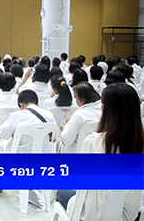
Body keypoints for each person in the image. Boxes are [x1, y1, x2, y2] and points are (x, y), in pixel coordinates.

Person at [57, 83, 143, 221]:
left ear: (107, 109)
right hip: (129, 215)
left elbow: (82, 183)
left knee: (62, 191)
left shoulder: (94, 141)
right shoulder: (140, 144)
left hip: (94, 214)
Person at [60, 82, 101, 153]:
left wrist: (64, 127)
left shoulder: (79, 115)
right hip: (99, 152)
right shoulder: (104, 110)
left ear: (81, 98)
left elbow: (66, 139)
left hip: (77, 154)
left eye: (76, 98)